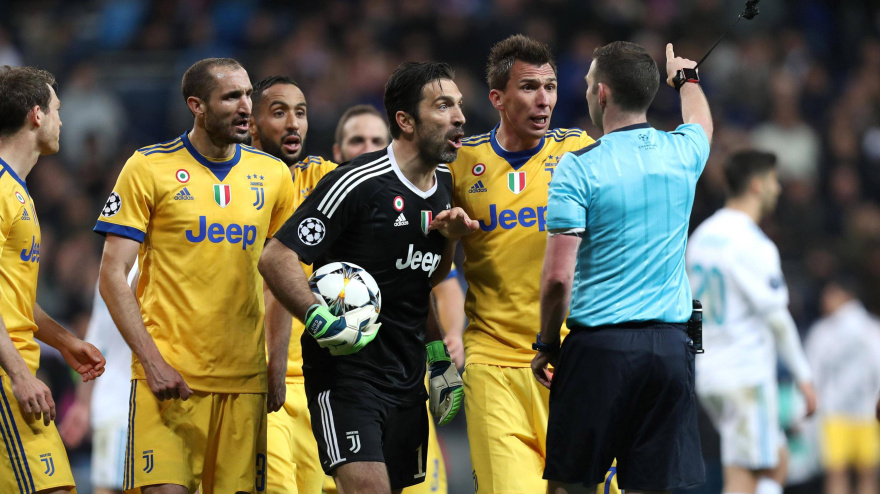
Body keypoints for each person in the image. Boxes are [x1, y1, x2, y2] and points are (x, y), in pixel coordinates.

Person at [258, 61, 472, 494]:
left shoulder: (445, 185)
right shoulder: (356, 182)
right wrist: (317, 317)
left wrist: (437, 356)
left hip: (407, 379)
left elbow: (421, 282)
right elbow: (276, 257)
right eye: (443, 106)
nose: (459, 117)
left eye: (458, 105)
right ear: (405, 121)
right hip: (347, 379)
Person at [94, 57, 296, 494]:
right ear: (197, 106)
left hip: (244, 382)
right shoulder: (147, 167)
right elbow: (111, 274)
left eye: (248, 95)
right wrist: (151, 362)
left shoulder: (274, 175)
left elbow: (282, 279)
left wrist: (276, 365)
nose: (246, 107)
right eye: (231, 97)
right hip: (169, 380)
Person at [531, 42, 713, 493]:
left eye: (588, 84)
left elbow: (557, 278)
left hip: (599, 352)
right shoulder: (683, 152)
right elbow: (701, 123)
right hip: (669, 352)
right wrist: (687, 79)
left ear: (603, 93)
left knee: (571, 486)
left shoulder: (578, 168)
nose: (587, 91)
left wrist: (548, 343)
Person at [446, 34, 620, 494]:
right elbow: (434, 266)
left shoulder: (577, 150)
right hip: (495, 361)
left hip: (574, 359)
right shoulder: (462, 163)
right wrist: (447, 235)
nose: (543, 99)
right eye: (528, 87)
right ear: (497, 98)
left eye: (550, 86)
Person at [0, 65, 106, 494]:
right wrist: (20, 375)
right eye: (57, 110)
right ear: (37, 114)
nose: (62, 121)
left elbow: (15, 298)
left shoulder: (18, 190)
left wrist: (64, 341)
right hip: (8, 376)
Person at [687, 150, 817, 494]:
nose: (779, 188)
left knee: (776, 460)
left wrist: (696, 358)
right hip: (744, 372)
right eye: (774, 181)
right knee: (745, 476)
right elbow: (777, 318)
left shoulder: (701, 238)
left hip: (711, 373)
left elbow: (693, 309)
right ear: (757, 185)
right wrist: (804, 377)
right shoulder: (753, 243)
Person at [59, 267, 138, 494]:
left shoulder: (109, 270)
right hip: (124, 408)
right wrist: (84, 404)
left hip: (117, 407)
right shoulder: (132, 267)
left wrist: (83, 404)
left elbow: (96, 339)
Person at [806, 278, 880, 494]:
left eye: (830, 294)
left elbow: (812, 371)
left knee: (844, 473)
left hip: (847, 412)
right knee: (861, 472)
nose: (824, 300)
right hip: (854, 411)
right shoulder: (871, 328)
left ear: (845, 295)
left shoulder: (824, 331)